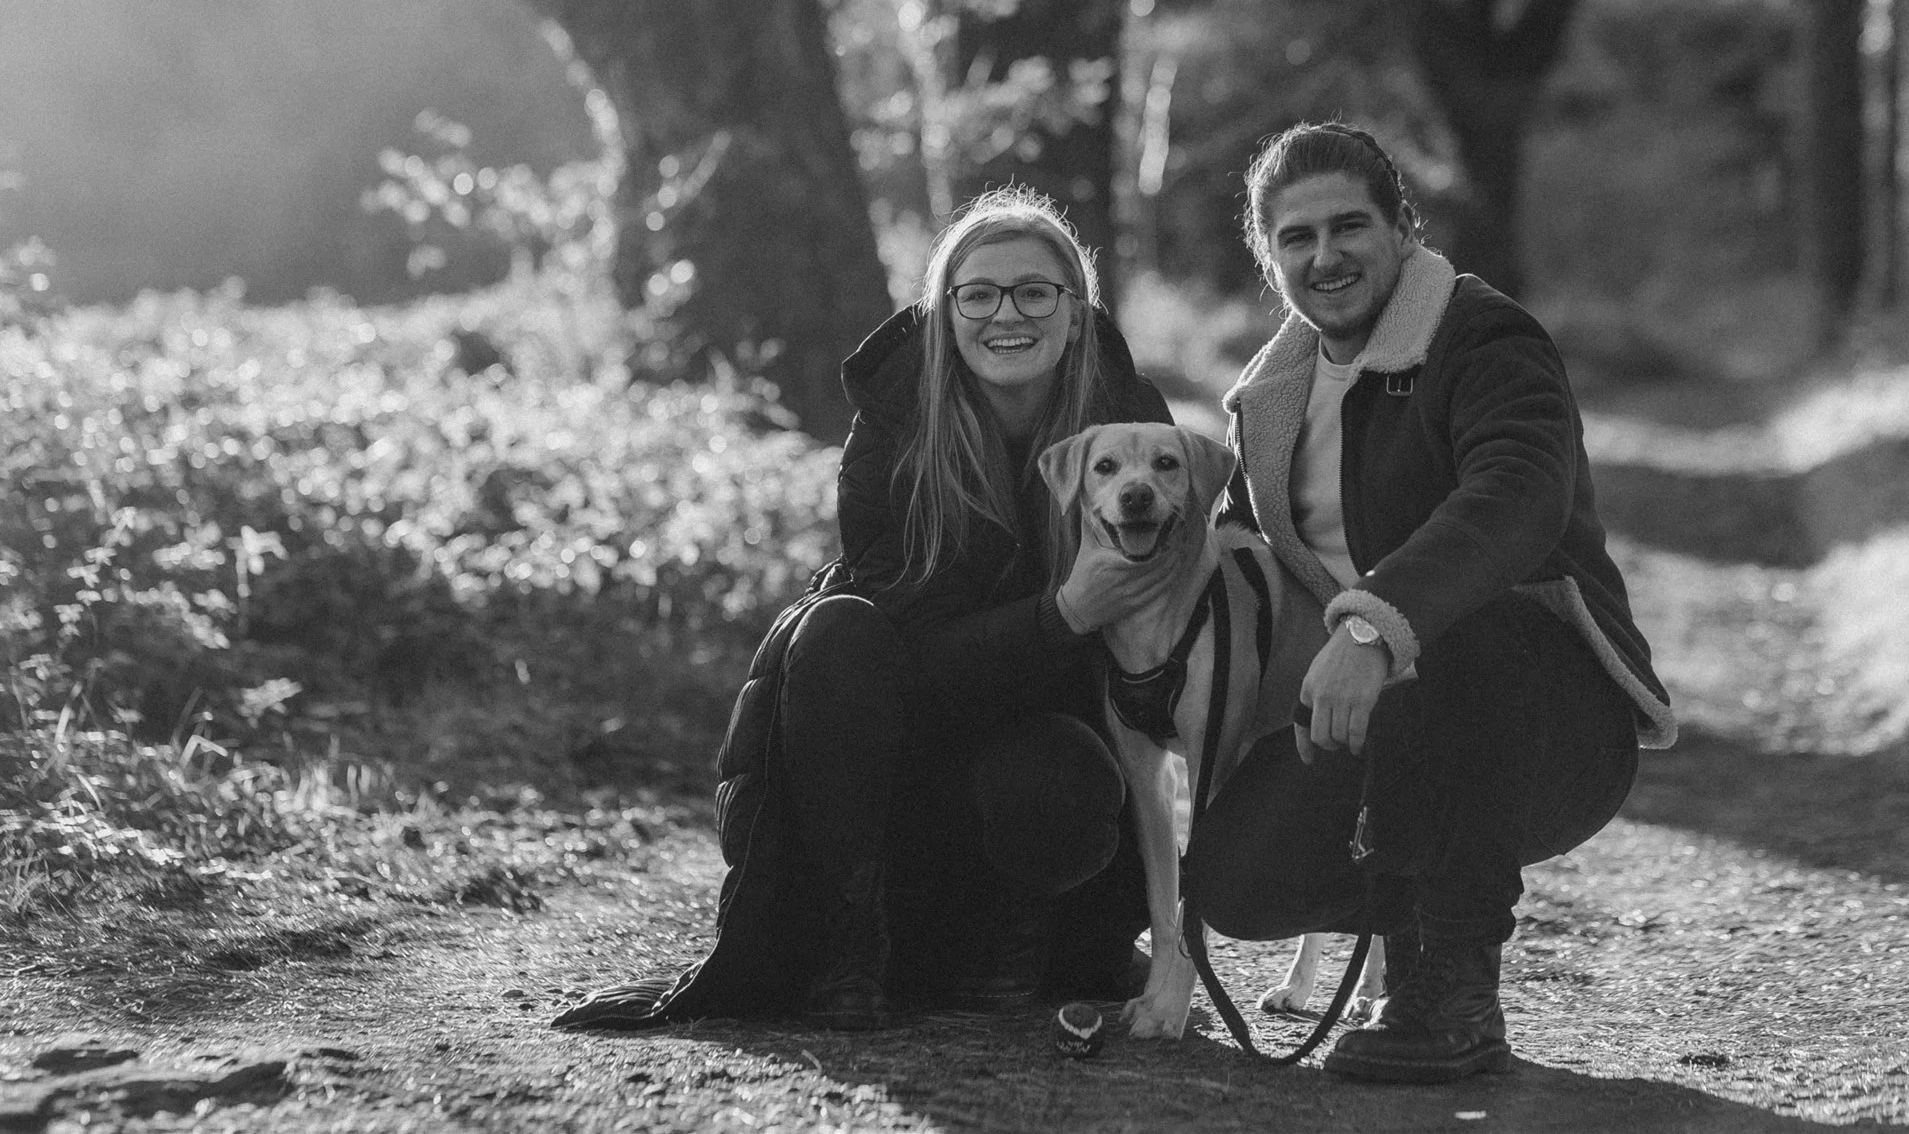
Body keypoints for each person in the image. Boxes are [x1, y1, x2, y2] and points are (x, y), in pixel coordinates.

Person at [553, 186, 1178, 1032]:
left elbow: (1169, 635)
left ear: (1075, 311)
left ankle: (1005, 948)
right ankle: (850, 949)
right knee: (838, 628)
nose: (1007, 314)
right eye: (978, 293)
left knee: (1059, 771)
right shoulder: (895, 427)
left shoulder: (1134, 426)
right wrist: (1061, 613)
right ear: (944, 311)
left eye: (1036, 291)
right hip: (890, 775)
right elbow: (907, 661)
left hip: (1045, 779)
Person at [1181, 122, 1676, 1082]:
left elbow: (1516, 495)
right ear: (1268, 253)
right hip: (1390, 739)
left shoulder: (1486, 338)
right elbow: (1241, 549)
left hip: (1544, 724)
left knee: (1456, 628)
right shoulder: (1273, 397)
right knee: (1236, 878)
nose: (1325, 256)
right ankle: (1403, 907)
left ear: (1403, 228)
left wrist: (1372, 625)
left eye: (1349, 226)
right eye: (1296, 237)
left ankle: (1449, 984)